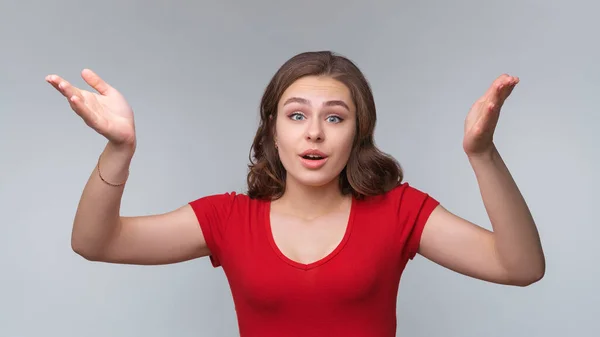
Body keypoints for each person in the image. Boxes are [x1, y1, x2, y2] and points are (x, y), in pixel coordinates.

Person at [46, 51, 545, 337]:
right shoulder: (227, 218)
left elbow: (521, 267)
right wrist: (119, 148)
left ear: (357, 132)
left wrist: (482, 154)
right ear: (273, 129)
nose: (314, 134)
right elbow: (96, 242)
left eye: (334, 117)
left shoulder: (399, 211)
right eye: (297, 115)